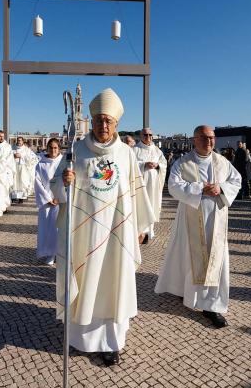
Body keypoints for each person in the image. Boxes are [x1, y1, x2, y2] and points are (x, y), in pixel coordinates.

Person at [52, 88, 154, 367]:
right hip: (84, 233)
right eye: (99, 120)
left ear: (116, 124)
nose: (103, 125)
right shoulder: (75, 151)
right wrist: (64, 181)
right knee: (87, 282)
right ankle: (80, 338)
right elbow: (56, 186)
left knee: (112, 284)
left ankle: (111, 342)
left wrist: (141, 227)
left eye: (108, 121)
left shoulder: (125, 154)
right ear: (92, 121)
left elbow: (135, 192)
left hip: (115, 235)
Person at [155, 125, 242, 329]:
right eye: (203, 138)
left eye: (211, 138)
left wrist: (221, 188)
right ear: (195, 140)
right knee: (188, 256)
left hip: (216, 217)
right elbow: (174, 186)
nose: (209, 142)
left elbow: (236, 181)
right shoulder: (183, 162)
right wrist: (200, 188)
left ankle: (210, 305)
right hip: (190, 217)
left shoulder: (222, 162)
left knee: (214, 259)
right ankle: (185, 290)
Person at [133, 127, 167, 241]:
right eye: (145, 135)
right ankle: (140, 232)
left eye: (150, 135)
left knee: (152, 205)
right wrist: (143, 165)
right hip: (140, 185)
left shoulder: (157, 150)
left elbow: (164, 164)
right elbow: (130, 164)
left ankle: (149, 232)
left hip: (154, 186)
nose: (148, 137)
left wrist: (158, 166)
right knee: (141, 206)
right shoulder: (134, 149)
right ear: (140, 136)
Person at [33, 138, 62, 265]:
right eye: (51, 147)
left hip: (61, 200)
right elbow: (37, 182)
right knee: (48, 228)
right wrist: (48, 198)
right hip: (46, 201)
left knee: (59, 228)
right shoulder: (40, 164)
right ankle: (50, 253)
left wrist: (59, 197)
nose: (53, 150)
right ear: (47, 148)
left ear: (59, 149)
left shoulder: (64, 163)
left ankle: (60, 253)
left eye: (55, 148)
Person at [11, 136, 38, 203]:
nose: (19, 141)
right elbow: (8, 156)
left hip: (23, 168)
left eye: (20, 140)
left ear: (23, 141)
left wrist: (21, 156)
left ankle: (21, 198)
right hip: (14, 167)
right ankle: (14, 197)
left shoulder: (26, 150)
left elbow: (33, 158)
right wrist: (13, 156)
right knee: (14, 182)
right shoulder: (12, 148)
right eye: (18, 140)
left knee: (22, 182)